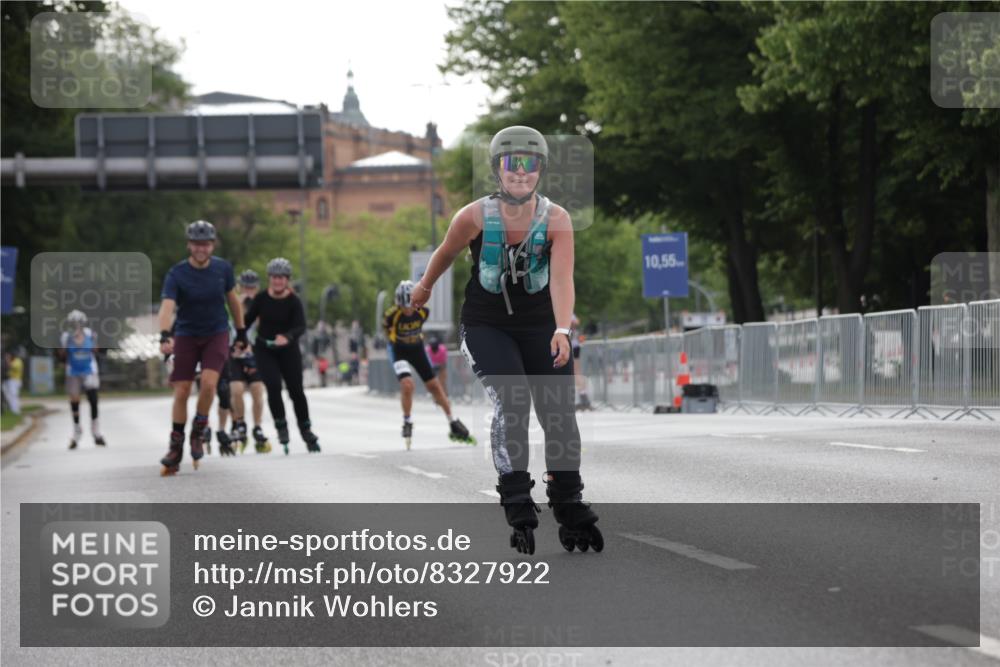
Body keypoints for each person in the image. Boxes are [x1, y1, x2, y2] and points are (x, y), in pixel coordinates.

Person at [410, 125, 602, 555]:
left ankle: (567, 500)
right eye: (511, 164)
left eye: (529, 164)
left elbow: (561, 279)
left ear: (541, 170)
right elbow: (444, 255)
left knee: (558, 410)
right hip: (486, 325)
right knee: (513, 400)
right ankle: (516, 497)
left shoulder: (557, 219)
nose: (520, 173)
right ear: (497, 169)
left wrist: (561, 330)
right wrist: (423, 290)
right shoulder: (473, 216)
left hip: (540, 325)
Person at [158, 220, 247, 474]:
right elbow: (167, 305)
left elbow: (233, 301)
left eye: (206, 244)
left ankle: (199, 429)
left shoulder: (223, 269)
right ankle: (176, 445)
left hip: (216, 333)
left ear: (212, 245)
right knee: (182, 390)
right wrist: (165, 334)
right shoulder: (177, 273)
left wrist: (241, 332)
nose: (201, 249)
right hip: (186, 334)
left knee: (209, 384)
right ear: (189, 245)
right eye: (196, 244)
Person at [383, 279, 473, 450]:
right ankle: (407, 420)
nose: (408, 311)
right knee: (407, 384)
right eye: (404, 307)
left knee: (434, 386)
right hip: (399, 349)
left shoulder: (423, 312)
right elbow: (389, 337)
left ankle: (452, 421)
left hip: (417, 348)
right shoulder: (390, 316)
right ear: (398, 304)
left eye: (410, 306)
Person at [244, 258, 319, 455]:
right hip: (264, 349)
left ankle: (306, 429)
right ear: (269, 279)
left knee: (296, 390)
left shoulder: (294, 301)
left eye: (281, 278)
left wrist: (287, 337)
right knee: (273, 386)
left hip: (288, 349)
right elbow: (246, 321)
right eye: (274, 278)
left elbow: (300, 326)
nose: (278, 281)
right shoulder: (260, 299)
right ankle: (281, 426)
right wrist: (240, 339)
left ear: (287, 280)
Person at [229, 269, 272, 454]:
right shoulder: (233, 303)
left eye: (252, 288)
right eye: (246, 288)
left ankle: (257, 426)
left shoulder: (261, 304)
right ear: (240, 288)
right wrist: (240, 303)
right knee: (236, 390)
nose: (249, 291)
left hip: (253, 354)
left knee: (257, 390)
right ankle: (240, 423)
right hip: (234, 354)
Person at [58, 310, 106, 448]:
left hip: (89, 369)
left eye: (79, 323)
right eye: (73, 323)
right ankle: (76, 430)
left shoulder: (91, 334)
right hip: (73, 370)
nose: (76, 325)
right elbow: (62, 355)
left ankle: (96, 431)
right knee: (74, 401)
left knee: (93, 400)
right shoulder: (66, 337)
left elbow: (98, 350)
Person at [570, 313, 591, 410]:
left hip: (573, 346)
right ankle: (582, 396)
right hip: (573, 345)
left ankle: (583, 397)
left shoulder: (566, 312)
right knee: (576, 372)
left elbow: (575, 322)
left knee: (576, 372)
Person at [2, 350, 23, 417]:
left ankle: (16, 411)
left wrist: (7, 359)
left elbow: (10, 366)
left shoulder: (17, 361)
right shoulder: (13, 361)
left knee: (14, 396)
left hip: (15, 381)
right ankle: (13, 410)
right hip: (10, 380)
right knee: (9, 395)